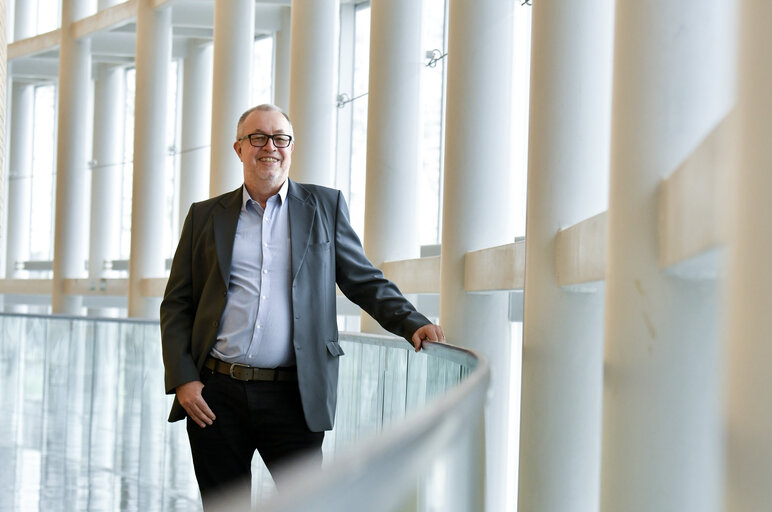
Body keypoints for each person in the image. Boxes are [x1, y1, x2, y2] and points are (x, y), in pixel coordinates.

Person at [160, 103, 445, 509]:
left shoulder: (324, 207)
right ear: (239, 148)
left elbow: (362, 279)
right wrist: (185, 380)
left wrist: (411, 321)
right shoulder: (206, 216)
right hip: (215, 394)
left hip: (295, 394)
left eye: (279, 138)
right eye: (257, 137)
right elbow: (177, 304)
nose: (269, 146)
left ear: (290, 147)